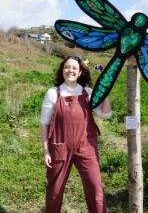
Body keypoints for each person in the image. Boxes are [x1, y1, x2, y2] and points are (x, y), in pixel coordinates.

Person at [40, 55, 112, 213]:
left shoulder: (87, 92)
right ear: (62, 70)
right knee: (55, 191)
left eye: (74, 68)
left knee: (95, 188)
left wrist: (105, 93)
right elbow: (44, 124)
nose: (70, 70)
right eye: (67, 67)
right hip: (59, 148)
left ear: (80, 72)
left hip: (87, 147)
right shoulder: (53, 93)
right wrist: (46, 151)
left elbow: (105, 114)